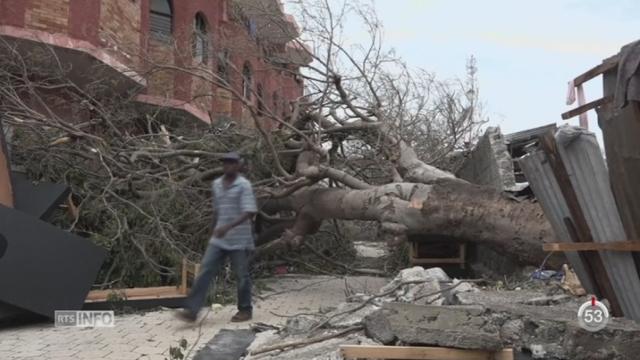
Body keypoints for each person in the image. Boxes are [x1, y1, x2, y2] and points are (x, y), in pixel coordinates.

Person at [178, 152, 257, 322]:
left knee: (242, 276)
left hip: (239, 240)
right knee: (205, 271)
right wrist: (211, 231)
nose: (228, 166)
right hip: (219, 239)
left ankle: (245, 310)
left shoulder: (244, 185)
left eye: (231, 163)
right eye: (225, 163)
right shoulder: (216, 185)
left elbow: (249, 212)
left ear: (238, 165)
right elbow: (216, 211)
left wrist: (228, 227)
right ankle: (192, 310)